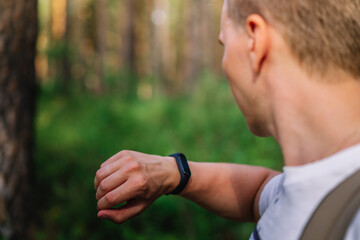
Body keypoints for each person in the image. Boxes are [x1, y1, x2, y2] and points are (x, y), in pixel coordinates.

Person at [94, 0, 360, 239]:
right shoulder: (314, 178)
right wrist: (173, 173)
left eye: (224, 43)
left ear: (255, 41)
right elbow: (258, 192)